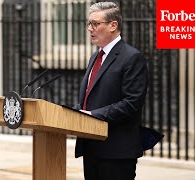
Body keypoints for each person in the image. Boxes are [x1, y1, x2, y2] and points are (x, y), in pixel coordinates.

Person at [74, 2, 148, 180]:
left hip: (116, 152)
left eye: (95, 24)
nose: (90, 29)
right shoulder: (95, 56)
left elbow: (132, 103)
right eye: (89, 24)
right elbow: (89, 96)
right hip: (91, 147)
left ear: (113, 25)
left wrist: (92, 115)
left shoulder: (132, 57)